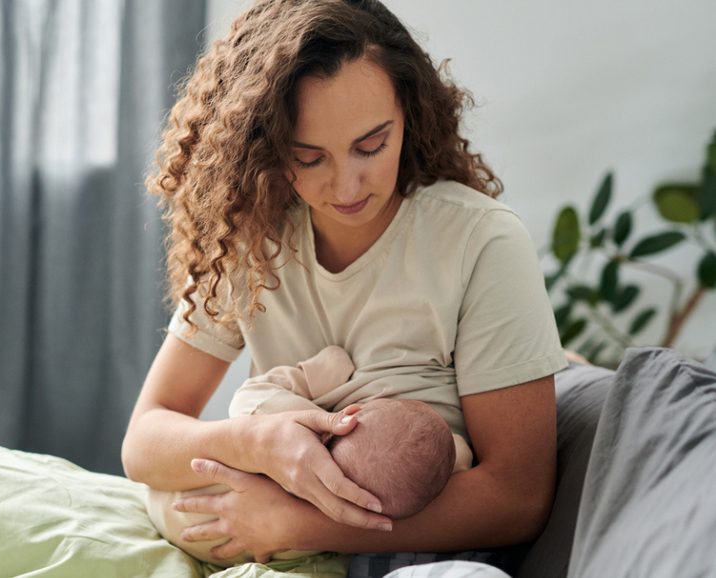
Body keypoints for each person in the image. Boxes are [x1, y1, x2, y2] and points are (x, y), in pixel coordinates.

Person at [121, 0, 568, 571]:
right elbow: (145, 438)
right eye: (308, 157)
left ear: (410, 112)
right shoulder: (250, 237)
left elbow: (518, 498)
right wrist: (258, 444)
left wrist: (297, 523)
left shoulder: (480, 242)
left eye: (371, 145)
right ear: (266, 149)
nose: (346, 184)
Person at [147, 344, 464, 566]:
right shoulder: (345, 528)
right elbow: (455, 458)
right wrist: (454, 454)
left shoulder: (294, 422)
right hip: (236, 548)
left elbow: (248, 398)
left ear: (350, 413)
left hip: (173, 499)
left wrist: (322, 370)